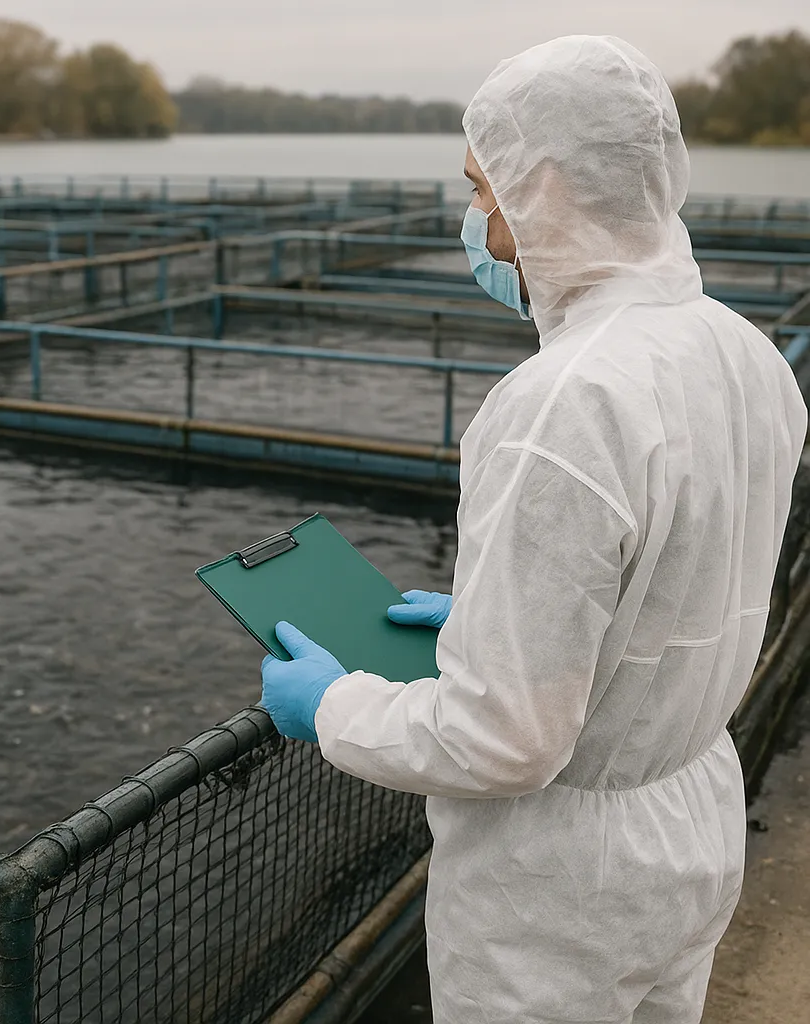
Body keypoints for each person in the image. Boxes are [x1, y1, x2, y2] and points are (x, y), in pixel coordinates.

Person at [260, 34, 807, 1024]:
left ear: (543, 180)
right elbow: (682, 579)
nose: (474, 215)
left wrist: (335, 706)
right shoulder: (743, 353)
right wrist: (503, 615)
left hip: (556, 886)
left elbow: (505, 742)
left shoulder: (561, 403)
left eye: (482, 185)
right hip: (690, 815)